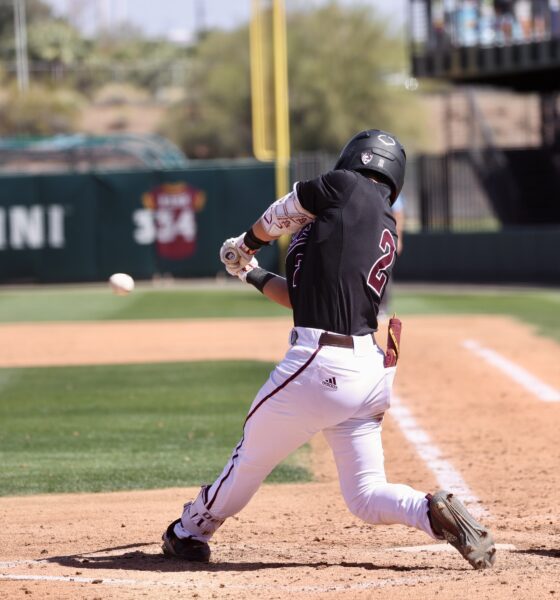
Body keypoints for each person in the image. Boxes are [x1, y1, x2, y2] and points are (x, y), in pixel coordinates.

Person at [161, 129, 496, 570]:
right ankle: (430, 511)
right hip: (367, 372)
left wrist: (246, 244)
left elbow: (281, 211)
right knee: (366, 495)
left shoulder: (345, 186)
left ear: (355, 160)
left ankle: (190, 530)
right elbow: (301, 298)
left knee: (249, 459)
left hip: (322, 364)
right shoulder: (377, 222)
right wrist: (250, 273)